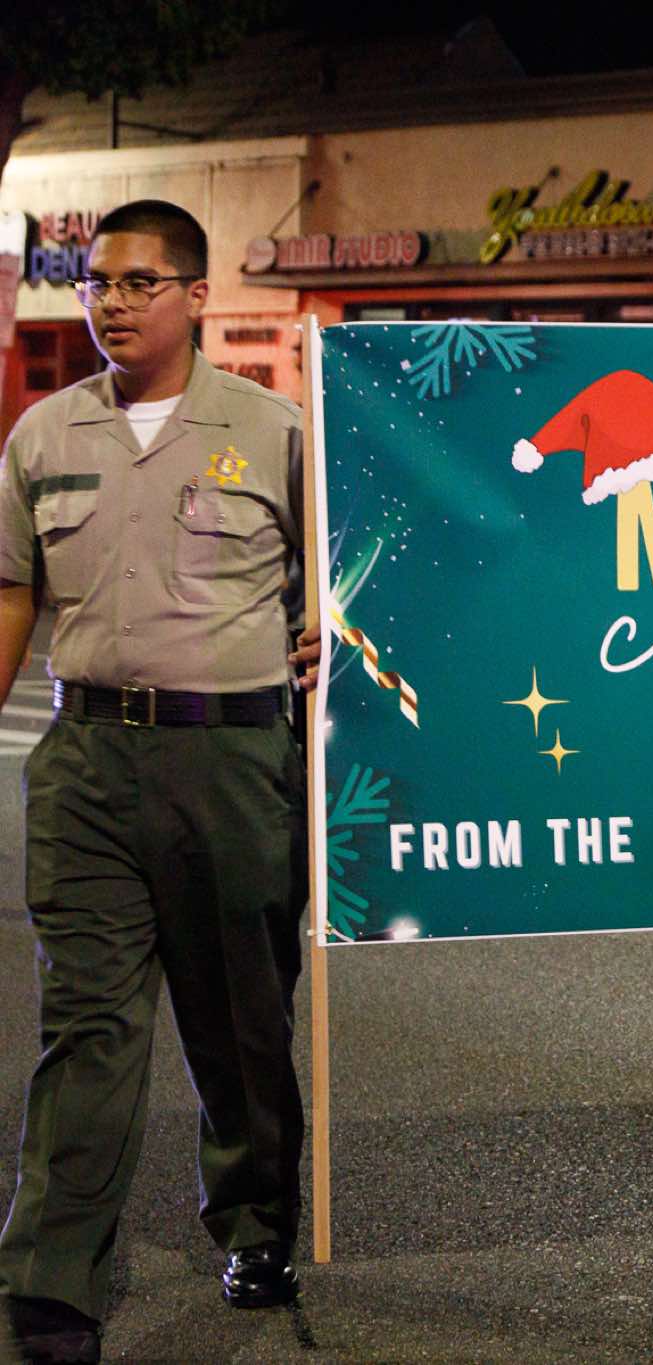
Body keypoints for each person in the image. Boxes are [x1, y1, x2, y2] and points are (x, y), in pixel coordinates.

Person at [0, 201, 323, 1364]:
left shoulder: (278, 432)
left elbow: (336, 594)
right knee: (86, 1026)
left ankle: (256, 1222)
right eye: (98, 282)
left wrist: (323, 639)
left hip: (231, 761)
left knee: (239, 1019)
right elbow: (13, 593)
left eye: (140, 282)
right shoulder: (45, 435)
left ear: (196, 296)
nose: (113, 302)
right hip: (86, 762)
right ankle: (51, 1287)